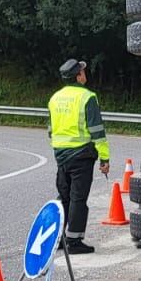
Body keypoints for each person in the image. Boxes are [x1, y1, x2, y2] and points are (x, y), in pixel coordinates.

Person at [48, 59, 110, 254]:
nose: (85, 74)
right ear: (78, 76)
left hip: (60, 155)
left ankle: (58, 238)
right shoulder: (87, 97)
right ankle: (74, 241)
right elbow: (97, 130)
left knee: (64, 197)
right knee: (78, 199)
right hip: (81, 155)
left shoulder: (55, 98)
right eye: (82, 71)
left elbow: (51, 129)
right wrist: (104, 158)